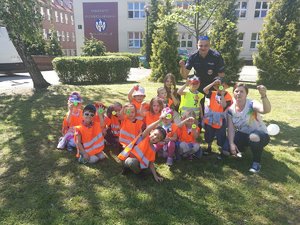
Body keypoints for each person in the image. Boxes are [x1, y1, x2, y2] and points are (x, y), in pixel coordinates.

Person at [224, 83, 271, 173]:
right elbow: (231, 129)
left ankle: (256, 163)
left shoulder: (252, 104)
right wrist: (231, 144)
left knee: (253, 137)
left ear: (246, 94)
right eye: (236, 91)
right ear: (233, 93)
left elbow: (266, 110)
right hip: (243, 134)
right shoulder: (230, 110)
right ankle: (243, 148)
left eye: (242, 91)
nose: (239, 93)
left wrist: (263, 96)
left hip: (260, 135)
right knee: (226, 150)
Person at [118, 113, 167, 182]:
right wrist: (159, 121)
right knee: (130, 162)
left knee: (137, 165)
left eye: (158, 138)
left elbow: (151, 163)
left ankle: (138, 172)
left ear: (159, 141)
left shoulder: (153, 149)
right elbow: (147, 129)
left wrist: (156, 176)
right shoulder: (144, 138)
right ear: (151, 132)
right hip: (128, 158)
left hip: (138, 163)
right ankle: (128, 168)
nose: (155, 137)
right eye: (155, 134)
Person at [202, 77, 233, 155]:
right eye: (216, 86)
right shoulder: (213, 93)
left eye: (220, 85)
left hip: (221, 119)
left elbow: (223, 105)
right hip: (210, 118)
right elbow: (204, 90)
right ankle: (209, 147)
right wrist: (213, 84)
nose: (218, 87)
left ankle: (222, 149)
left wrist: (222, 95)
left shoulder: (228, 96)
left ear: (224, 85)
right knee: (209, 133)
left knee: (221, 135)